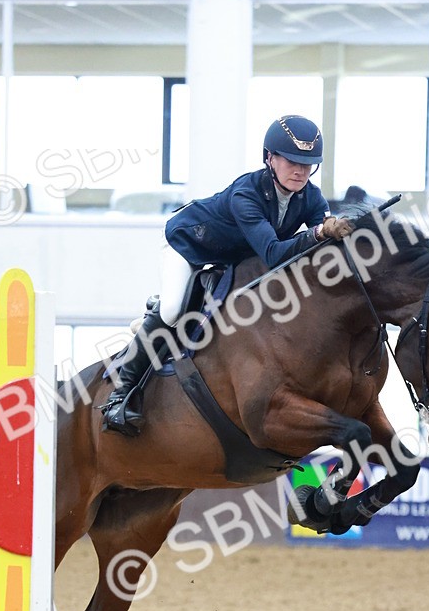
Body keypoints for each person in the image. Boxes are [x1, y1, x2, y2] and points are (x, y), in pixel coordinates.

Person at [102, 114, 354, 435]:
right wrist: (319, 231)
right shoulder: (245, 195)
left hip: (232, 259)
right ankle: (119, 396)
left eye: (308, 164)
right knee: (173, 310)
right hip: (190, 247)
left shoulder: (310, 196)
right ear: (269, 158)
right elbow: (276, 254)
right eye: (291, 161)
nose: (300, 171)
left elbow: (322, 246)